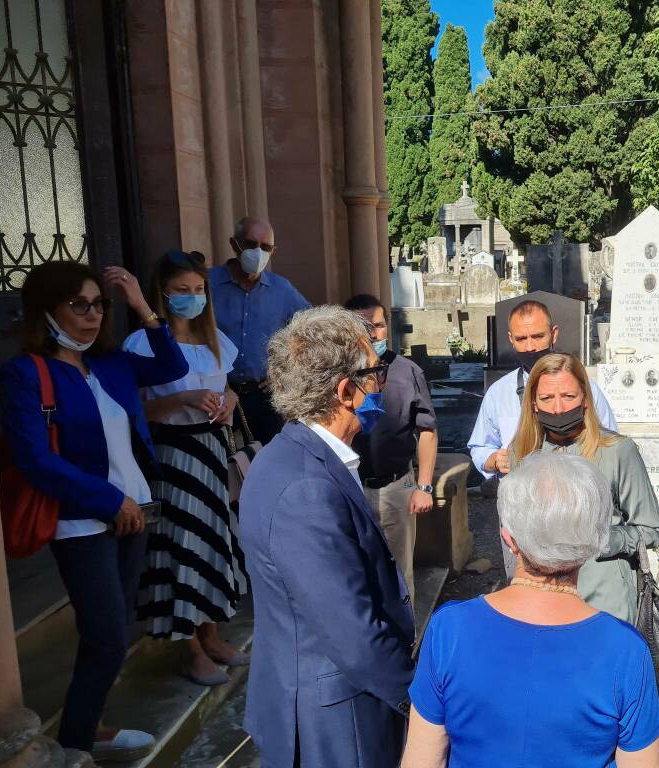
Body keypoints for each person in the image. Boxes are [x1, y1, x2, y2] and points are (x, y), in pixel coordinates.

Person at [0, 261, 188, 760]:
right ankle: (76, 742)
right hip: (83, 521)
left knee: (115, 628)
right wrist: (110, 501)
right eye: (77, 305)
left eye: (98, 304)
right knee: (105, 635)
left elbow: (174, 367)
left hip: (136, 513)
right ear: (48, 311)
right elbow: (35, 460)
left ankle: (92, 724)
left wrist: (143, 308)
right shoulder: (25, 373)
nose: (92, 315)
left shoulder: (110, 364)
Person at [403, 453, 659, 768]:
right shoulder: (625, 648)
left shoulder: (449, 629)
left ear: (508, 537)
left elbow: (422, 760)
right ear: (595, 540)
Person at [240, 305, 414, 768]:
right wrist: (420, 704)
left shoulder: (297, 455)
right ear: (345, 391)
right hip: (337, 722)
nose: (382, 384)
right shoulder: (306, 489)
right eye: (375, 372)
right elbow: (354, 635)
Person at [123, 250, 249, 686]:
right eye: (182, 291)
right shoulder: (141, 345)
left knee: (214, 544)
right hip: (174, 457)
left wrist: (229, 400)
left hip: (212, 452)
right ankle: (189, 648)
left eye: (198, 290)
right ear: (162, 293)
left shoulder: (215, 340)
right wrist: (181, 400)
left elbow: (226, 386)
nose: (192, 298)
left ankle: (211, 633)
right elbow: (133, 411)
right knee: (181, 548)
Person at [508, 353, 659, 622]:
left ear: (585, 399)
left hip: (603, 600)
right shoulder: (521, 454)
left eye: (568, 396)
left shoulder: (616, 451)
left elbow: (651, 530)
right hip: (540, 599)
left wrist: (603, 540)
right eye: (547, 398)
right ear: (533, 403)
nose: (557, 408)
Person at [345, 294, 437, 604]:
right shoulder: (338, 375)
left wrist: (424, 486)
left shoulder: (408, 372)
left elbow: (426, 430)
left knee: (399, 575)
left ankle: (406, 645)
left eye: (379, 325)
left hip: (397, 487)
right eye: (363, 326)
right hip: (351, 489)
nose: (373, 333)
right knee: (356, 574)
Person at [468, 299, 617, 478]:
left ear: (553, 334)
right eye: (521, 339)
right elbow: (480, 446)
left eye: (538, 336)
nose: (530, 347)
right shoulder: (498, 393)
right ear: (511, 339)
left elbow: (610, 441)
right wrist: (493, 460)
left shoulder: (585, 388)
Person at [209, 216, 310, 443]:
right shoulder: (207, 284)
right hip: (216, 393)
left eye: (265, 247)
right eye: (250, 244)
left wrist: (286, 372)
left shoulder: (281, 289)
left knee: (267, 464)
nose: (258, 252)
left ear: (273, 251)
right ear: (235, 244)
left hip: (261, 395)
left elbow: (311, 330)